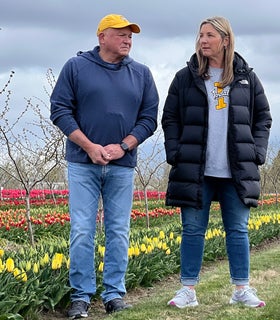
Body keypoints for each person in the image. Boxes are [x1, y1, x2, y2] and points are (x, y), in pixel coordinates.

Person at [50, 14, 159, 319]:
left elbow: (149, 118)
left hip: (122, 166)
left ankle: (113, 294)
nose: (127, 40)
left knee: (119, 231)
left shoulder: (141, 74)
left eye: (130, 36)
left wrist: (123, 145)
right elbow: (59, 109)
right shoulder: (76, 67)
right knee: (83, 230)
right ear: (102, 37)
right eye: (121, 34)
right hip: (83, 164)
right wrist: (89, 146)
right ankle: (81, 297)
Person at [162, 15, 272, 309]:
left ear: (225, 40)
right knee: (192, 230)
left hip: (235, 171)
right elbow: (170, 117)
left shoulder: (246, 77)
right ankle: (188, 290)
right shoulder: (186, 78)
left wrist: (257, 153)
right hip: (196, 169)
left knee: (238, 230)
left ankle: (241, 289)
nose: (203, 41)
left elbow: (263, 118)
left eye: (209, 35)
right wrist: (175, 152)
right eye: (200, 36)